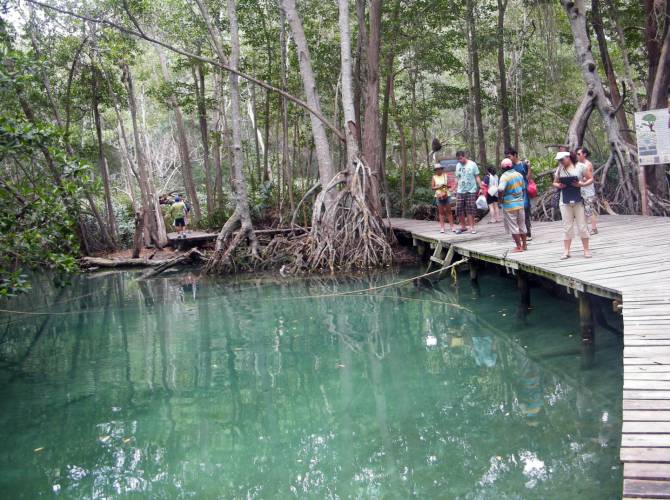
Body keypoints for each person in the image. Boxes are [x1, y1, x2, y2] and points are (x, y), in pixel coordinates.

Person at [553, 151, 593, 259]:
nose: (560, 162)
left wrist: (582, 184)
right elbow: (555, 182)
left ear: (568, 157)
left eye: (562, 159)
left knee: (582, 225)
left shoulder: (580, 167)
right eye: (559, 160)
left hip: (578, 199)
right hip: (564, 200)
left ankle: (586, 250)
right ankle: (566, 251)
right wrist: (559, 185)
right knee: (567, 226)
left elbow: (591, 178)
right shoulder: (559, 169)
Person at [497, 158, 527, 253]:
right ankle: (524, 245)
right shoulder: (519, 175)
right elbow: (523, 188)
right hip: (520, 203)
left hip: (509, 205)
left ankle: (519, 247)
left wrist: (500, 199)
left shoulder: (504, 177)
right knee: (522, 224)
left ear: (502, 168)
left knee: (513, 226)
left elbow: (501, 189)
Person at [505, 148, 533, 240]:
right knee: (515, 213)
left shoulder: (523, 164)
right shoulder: (509, 166)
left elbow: (528, 178)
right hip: (513, 193)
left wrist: (529, 167)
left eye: (509, 156)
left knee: (525, 210)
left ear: (515, 155)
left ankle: (527, 233)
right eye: (507, 157)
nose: (508, 158)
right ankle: (519, 234)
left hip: (524, 191)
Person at [454, 150, 481, 234]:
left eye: (461, 158)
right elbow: (457, 177)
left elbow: (477, 176)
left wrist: (481, 187)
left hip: (471, 190)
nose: (460, 160)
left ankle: (472, 227)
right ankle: (463, 227)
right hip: (460, 190)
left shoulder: (472, 164)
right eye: (458, 159)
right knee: (459, 209)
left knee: (470, 209)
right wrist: (454, 187)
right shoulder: (458, 165)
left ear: (464, 156)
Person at [577, 147, 598, 234]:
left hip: (588, 191)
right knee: (583, 211)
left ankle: (594, 229)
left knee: (589, 210)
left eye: (579, 154)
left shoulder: (587, 164)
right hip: (581, 190)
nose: (577, 156)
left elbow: (587, 178)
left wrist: (577, 181)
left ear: (584, 154)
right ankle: (584, 229)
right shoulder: (579, 164)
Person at [431, 164, 455, 233]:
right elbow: (432, 187)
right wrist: (439, 187)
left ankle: (452, 226)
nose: (439, 170)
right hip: (438, 196)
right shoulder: (434, 177)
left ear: (442, 169)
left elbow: (450, 185)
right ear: (435, 170)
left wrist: (445, 186)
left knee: (449, 211)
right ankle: (442, 227)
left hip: (446, 195)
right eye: (437, 169)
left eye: (440, 169)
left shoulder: (445, 175)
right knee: (441, 212)